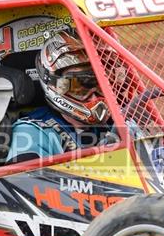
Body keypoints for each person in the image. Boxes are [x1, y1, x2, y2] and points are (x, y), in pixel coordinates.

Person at [6, 30, 115, 162]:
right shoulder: (32, 131)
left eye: (101, 84)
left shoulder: (116, 121)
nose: (94, 98)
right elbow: (25, 181)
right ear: (54, 85)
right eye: (79, 87)